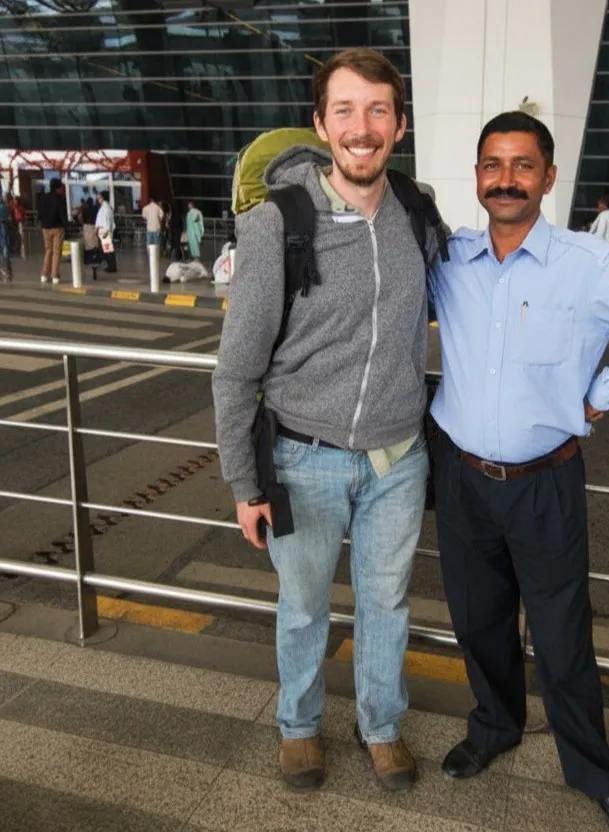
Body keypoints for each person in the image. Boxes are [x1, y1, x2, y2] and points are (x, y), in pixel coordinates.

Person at [428, 111, 609, 832]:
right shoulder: (450, 259)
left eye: (523, 166)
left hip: (545, 483)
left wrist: (600, 395)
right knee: (477, 622)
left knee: (561, 638)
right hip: (461, 479)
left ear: (548, 177)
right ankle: (495, 727)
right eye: (493, 165)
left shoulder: (588, 265)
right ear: (478, 176)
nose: (507, 180)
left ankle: (594, 772)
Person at [212, 48, 444, 794]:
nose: (362, 127)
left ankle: (379, 725)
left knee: (387, 603)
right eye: (344, 110)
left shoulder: (418, 211)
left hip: (398, 458)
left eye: (378, 110)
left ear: (399, 126)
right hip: (302, 458)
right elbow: (236, 369)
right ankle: (299, 726)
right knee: (305, 606)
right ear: (320, 125)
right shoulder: (278, 225)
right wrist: (245, 484)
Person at [37, 178, 67, 285]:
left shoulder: (43, 197)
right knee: (57, 252)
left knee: (48, 250)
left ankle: (44, 275)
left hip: (45, 227)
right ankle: (55, 275)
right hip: (57, 227)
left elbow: (39, 213)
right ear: (58, 188)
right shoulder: (59, 198)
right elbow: (62, 213)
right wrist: (66, 225)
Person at [95, 191, 117, 273]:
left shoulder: (105, 208)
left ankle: (111, 267)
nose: (98, 199)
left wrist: (105, 231)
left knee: (108, 250)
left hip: (105, 231)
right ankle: (111, 266)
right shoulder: (107, 207)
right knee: (109, 250)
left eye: (100, 197)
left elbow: (105, 220)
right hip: (106, 230)